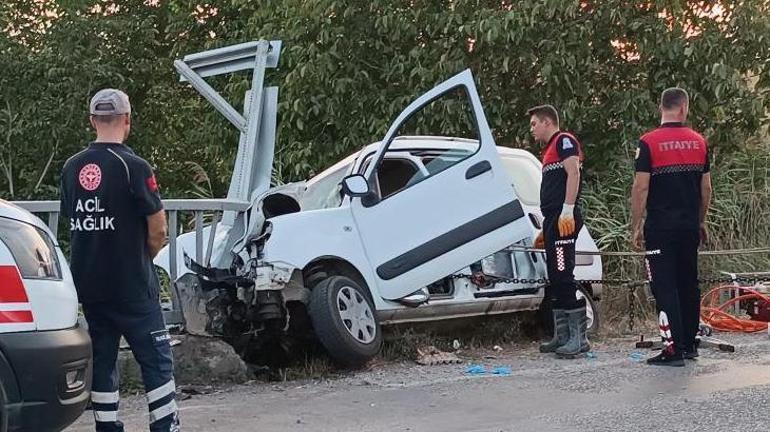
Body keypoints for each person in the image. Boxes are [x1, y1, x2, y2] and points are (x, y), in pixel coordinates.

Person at [60, 89, 180, 431]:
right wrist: (143, 257)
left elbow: (76, 221)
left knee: (103, 361)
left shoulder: (71, 168)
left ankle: (107, 426)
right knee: (155, 358)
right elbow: (158, 227)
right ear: (127, 120)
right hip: (132, 285)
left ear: (92, 121)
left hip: (90, 285)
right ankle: (164, 425)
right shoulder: (134, 166)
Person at [631, 87, 712, 367]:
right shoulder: (699, 142)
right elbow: (706, 188)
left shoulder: (648, 143)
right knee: (688, 284)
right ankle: (689, 344)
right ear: (683, 108)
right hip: (689, 227)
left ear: (662, 108)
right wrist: (701, 220)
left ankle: (672, 348)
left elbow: (641, 187)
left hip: (660, 228)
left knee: (664, 286)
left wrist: (636, 225)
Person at [528, 104, 590, 358]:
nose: (532, 129)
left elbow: (573, 172)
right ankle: (562, 334)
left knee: (564, 274)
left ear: (547, 122)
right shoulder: (548, 151)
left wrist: (567, 209)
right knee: (555, 275)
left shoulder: (564, 141)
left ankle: (579, 339)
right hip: (553, 220)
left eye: (534, 124)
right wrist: (547, 225)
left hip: (564, 219)